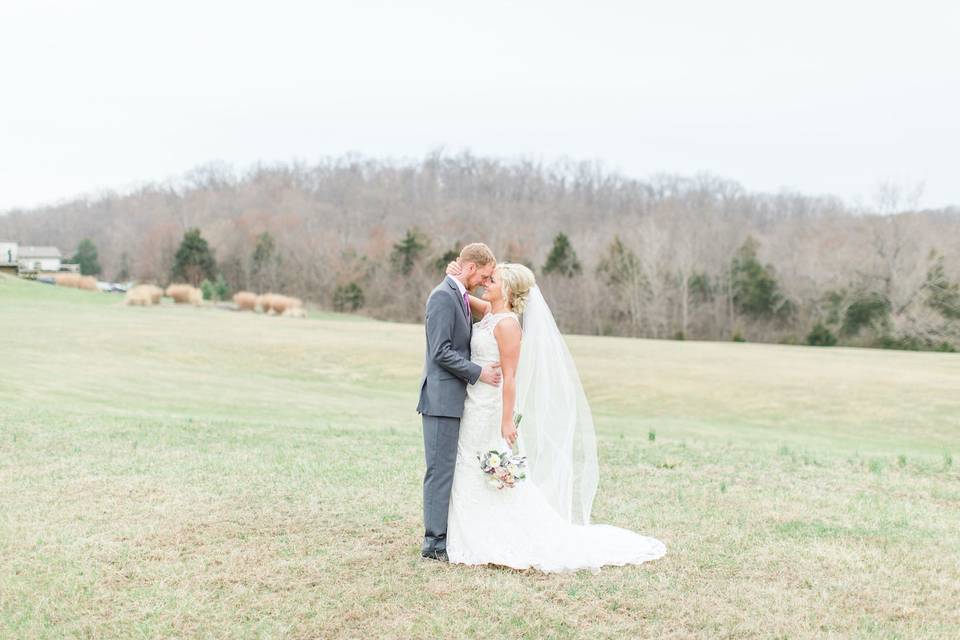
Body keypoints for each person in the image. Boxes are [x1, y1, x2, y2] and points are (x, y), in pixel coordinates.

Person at [442, 259, 666, 572]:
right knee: (469, 463)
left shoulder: (507, 325)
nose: (486, 283)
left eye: (493, 280)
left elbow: (510, 378)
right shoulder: (492, 312)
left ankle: (491, 534)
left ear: (507, 289)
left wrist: (507, 421)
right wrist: (455, 278)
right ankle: (470, 530)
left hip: (490, 408)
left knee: (482, 465)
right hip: (474, 401)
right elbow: (465, 298)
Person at [416, 242, 502, 561]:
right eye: (483, 275)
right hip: (440, 400)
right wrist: (477, 372)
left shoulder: (459, 295)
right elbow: (440, 351)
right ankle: (434, 544)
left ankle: (445, 536)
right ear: (469, 268)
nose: (484, 281)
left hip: (455, 400)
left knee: (449, 470)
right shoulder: (442, 297)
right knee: (439, 471)